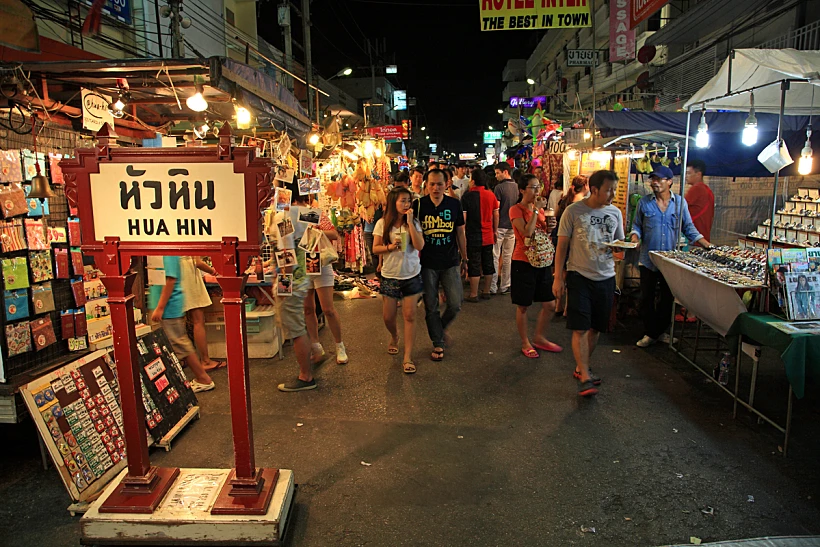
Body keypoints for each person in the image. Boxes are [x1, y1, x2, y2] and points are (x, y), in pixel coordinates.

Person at [553, 170, 625, 397]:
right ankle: (585, 375)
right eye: (608, 190)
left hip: (606, 276)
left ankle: (581, 366)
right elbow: (562, 246)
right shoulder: (573, 211)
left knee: (596, 328)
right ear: (594, 190)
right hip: (579, 275)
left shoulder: (615, 213)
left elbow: (619, 245)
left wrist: (624, 247)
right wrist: (558, 278)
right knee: (580, 327)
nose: (612, 194)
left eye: (614, 190)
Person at [630, 165, 712, 348]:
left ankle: (658, 332)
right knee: (646, 298)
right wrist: (635, 237)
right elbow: (636, 226)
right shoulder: (644, 203)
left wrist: (706, 244)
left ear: (669, 182)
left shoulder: (680, 203)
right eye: (653, 179)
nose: (655, 183)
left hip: (669, 260)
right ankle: (651, 332)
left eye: (659, 179)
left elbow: (688, 228)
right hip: (648, 259)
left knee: (667, 299)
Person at [414, 168, 468, 362]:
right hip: (426, 263)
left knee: (455, 303)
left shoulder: (454, 204)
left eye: (439, 184)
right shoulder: (418, 205)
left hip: (450, 261)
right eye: (432, 184)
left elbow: (460, 232)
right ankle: (438, 342)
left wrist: (465, 258)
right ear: (426, 185)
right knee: (431, 306)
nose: (436, 188)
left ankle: (439, 328)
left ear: (447, 184)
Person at [509, 174, 562, 358]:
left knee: (550, 304)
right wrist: (535, 212)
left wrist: (550, 226)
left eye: (538, 187)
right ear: (522, 190)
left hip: (542, 261)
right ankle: (525, 342)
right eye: (533, 187)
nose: (537, 191)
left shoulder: (539, 210)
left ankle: (539, 337)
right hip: (523, 261)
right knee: (523, 305)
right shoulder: (516, 210)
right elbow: (527, 233)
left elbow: (542, 233)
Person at [373, 188, 425, 373]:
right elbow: (375, 248)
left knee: (409, 316)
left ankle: (408, 357)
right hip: (390, 275)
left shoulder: (414, 222)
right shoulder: (382, 223)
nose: (406, 204)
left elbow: (420, 245)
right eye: (403, 201)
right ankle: (395, 335)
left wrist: (410, 223)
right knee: (388, 317)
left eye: (408, 201)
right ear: (393, 202)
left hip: (411, 274)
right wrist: (390, 247)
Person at [274, 180, 317, 392]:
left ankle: (306, 376)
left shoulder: (283, 216)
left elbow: (286, 254)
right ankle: (310, 364)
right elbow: (312, 242)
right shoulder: (308, 213)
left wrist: (283, 286)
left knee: (297, 329)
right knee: (300, 325)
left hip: (291, 279)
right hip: (304, 275)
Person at [150, 256, 215, 393]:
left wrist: (160, 307)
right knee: (176, 343)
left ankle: (203, 378)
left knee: (180, 344)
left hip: (169, 306)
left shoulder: (169, 252)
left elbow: (171, 279)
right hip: (166, 305)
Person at [298, 195, 348, 366]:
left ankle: (339, 345)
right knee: (307, 308)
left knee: (328, 309)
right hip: (302, 265)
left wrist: (313, 232)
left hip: (320, 261)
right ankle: (316, 345)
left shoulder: (311, 213)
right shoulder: (288, 216)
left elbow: (334, 234)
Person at [551, 175, 589, 314]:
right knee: (570, 275)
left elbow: (555, 217)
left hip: (559, 238)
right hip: (573, 242)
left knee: (561, 274)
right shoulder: (582, 205)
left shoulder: (564, 200)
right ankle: (567, 307)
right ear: (585, 186)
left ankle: (558, 305)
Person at [180, 256, 224, 371]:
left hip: (175, 276)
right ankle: (205, 361)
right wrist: (214, 271)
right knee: (198, 320)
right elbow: (197, 262)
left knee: (178, 321)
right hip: (188, 276)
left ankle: (182, 359)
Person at [461, 168, 499, 302]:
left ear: (473, 181)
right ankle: (486, 291)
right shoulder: (491, 195)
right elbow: (496, 214)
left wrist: (462, 234)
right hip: (488, 235)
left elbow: (463, 219)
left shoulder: (467, 196)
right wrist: (495, 231)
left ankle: (473, 294)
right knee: (488, 263)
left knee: (474, 264)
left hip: (472, 236)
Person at [491, 162, 519, 295]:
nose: (496, 176)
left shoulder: (499, 188)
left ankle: (492, 286)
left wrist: (494, 228)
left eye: (498, 173)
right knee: (508, 257)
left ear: (505, 172)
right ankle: (505, 285)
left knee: (495, 256)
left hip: (500, 225)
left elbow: (496, 210)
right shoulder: (517, 187)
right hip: (512, 225)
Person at [684, 160, 714, 241]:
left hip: (693, 236)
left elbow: (680, 207)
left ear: (698, 174)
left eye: (688, 173)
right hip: (703, 236)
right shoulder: (707, 190)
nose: (686, 176)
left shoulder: (696, 189)